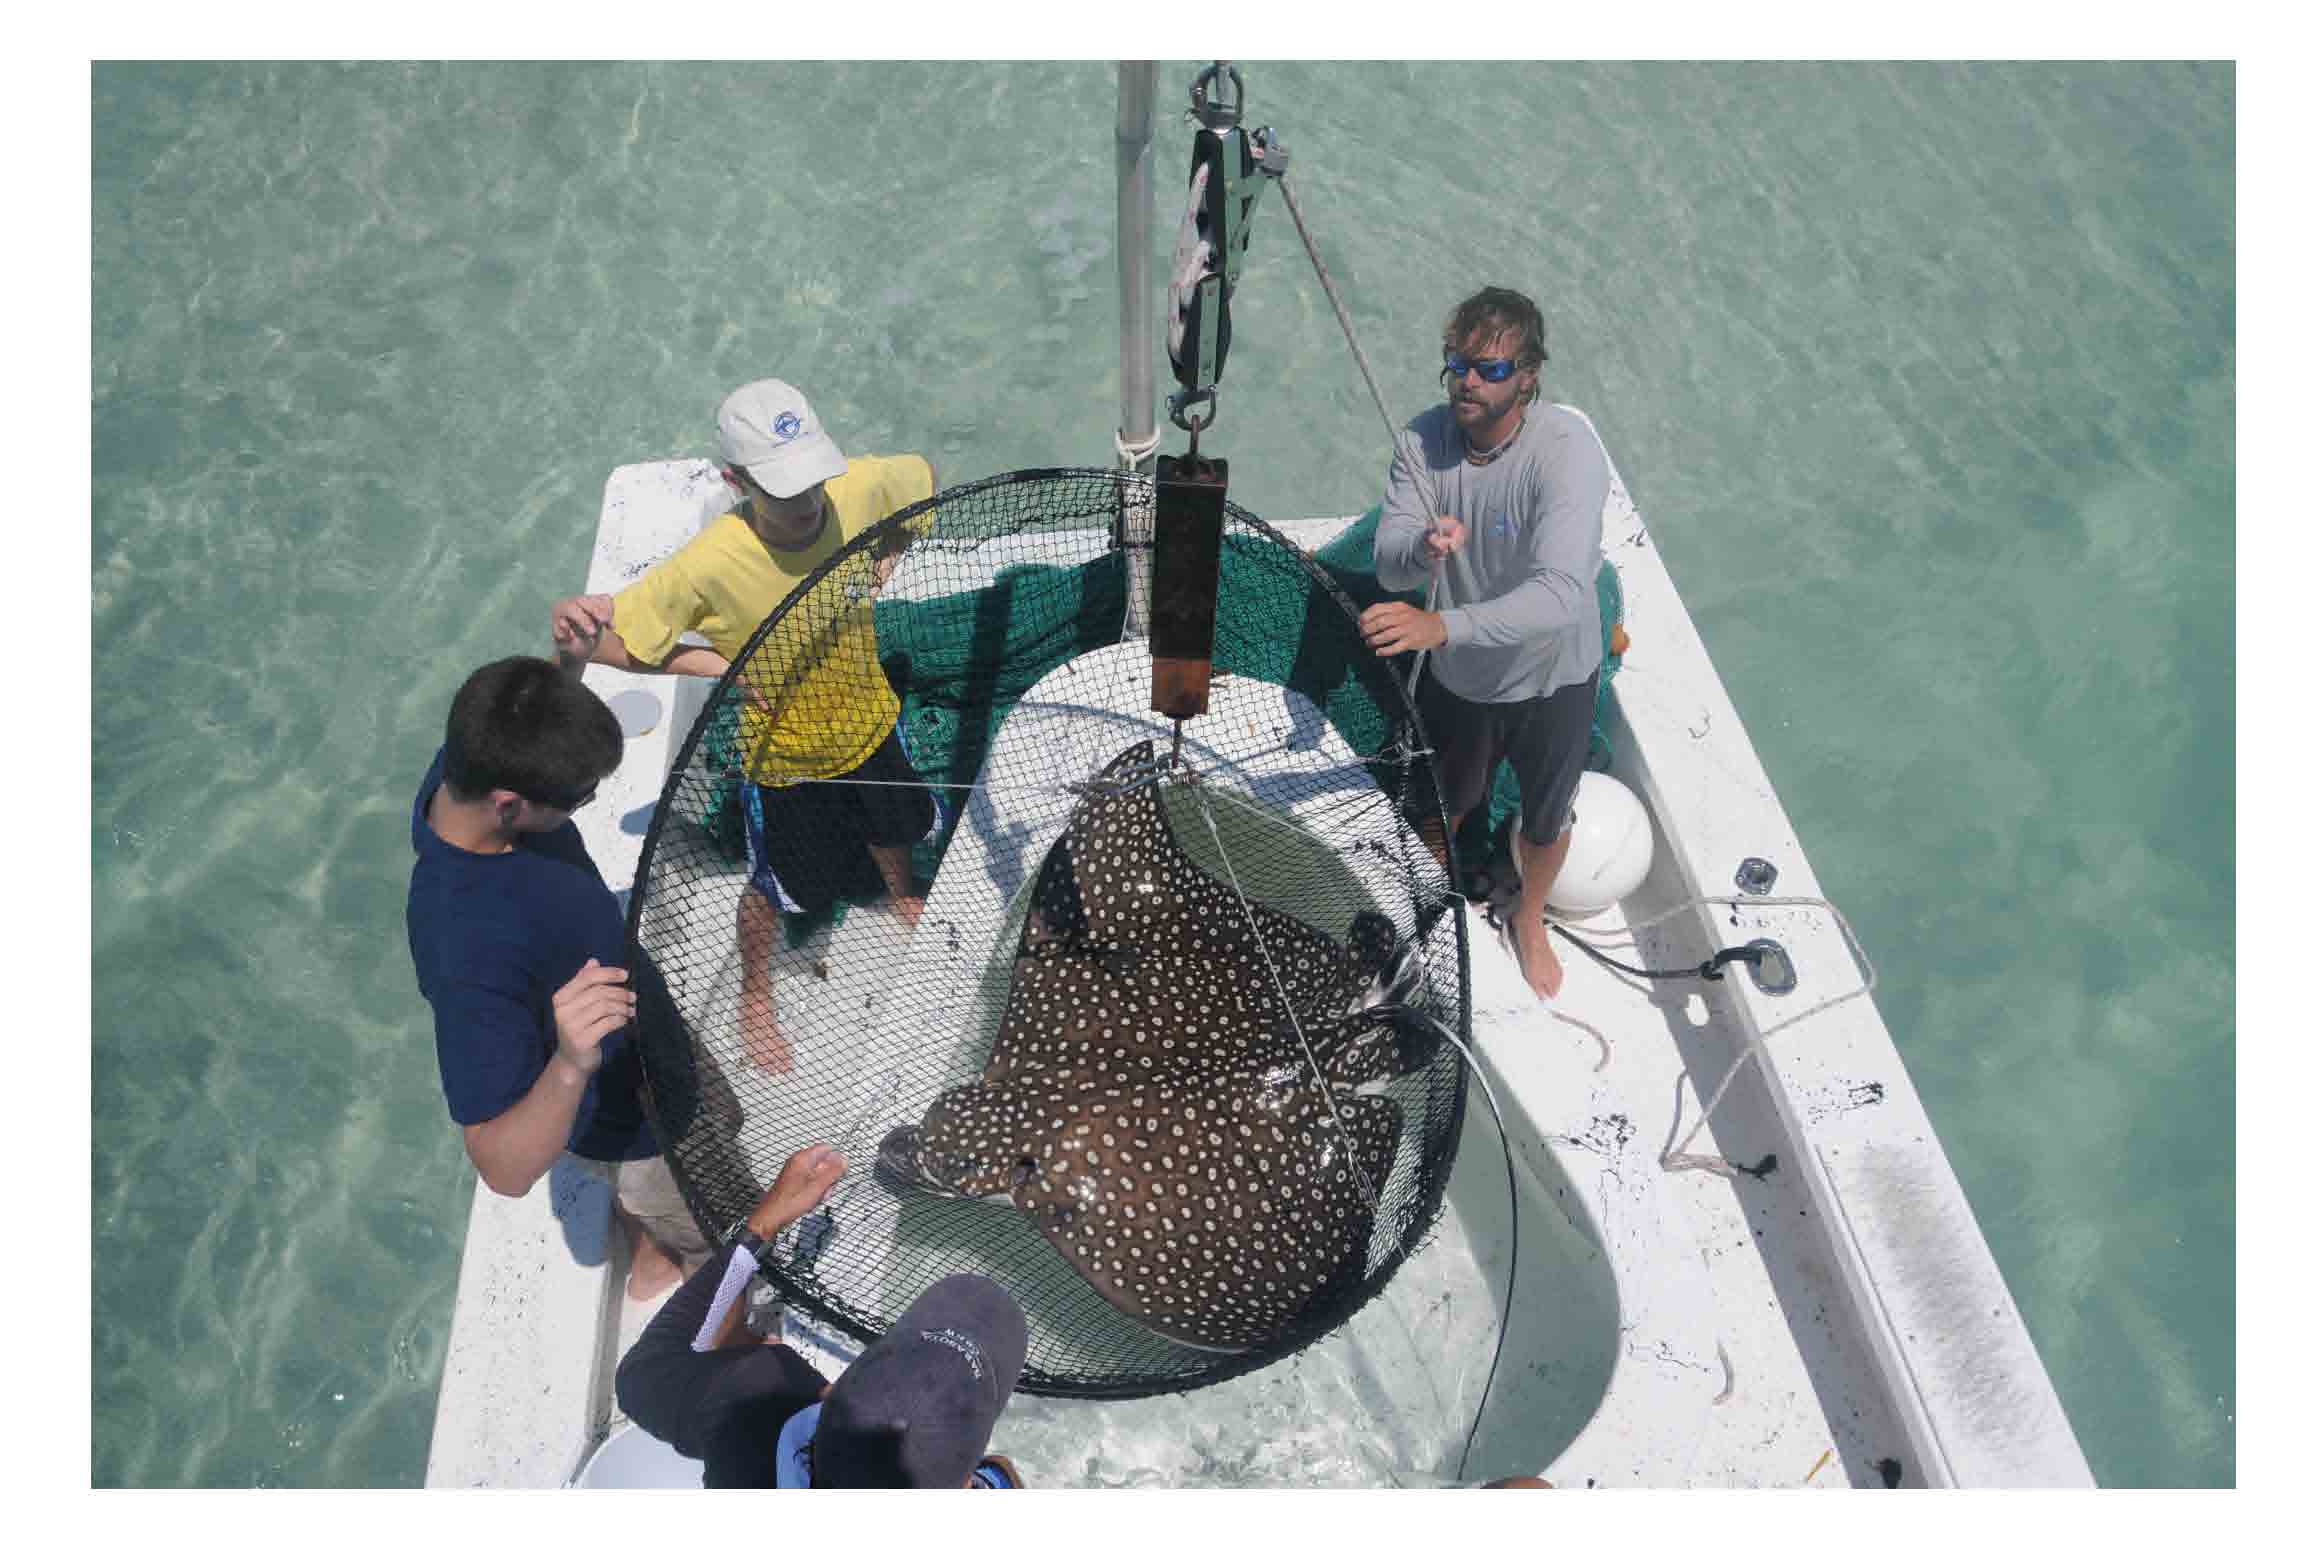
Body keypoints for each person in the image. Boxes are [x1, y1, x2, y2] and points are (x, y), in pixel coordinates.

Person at [550, 380, 937, 1076]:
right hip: (781, 759)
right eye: (784, 489)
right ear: (735, 481)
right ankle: (755, 994)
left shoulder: (858, 487)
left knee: (894, 821)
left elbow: (923, 480)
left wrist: (890, 554)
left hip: (870, 715)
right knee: (774, 887)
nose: (808, 502)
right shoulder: (709, 564)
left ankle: (901, 892)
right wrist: (719, 665)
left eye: (813, 478)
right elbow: (614, 641)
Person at [407, 655, 709, 1299]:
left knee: (690, 1142)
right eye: (578, 800)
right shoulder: (465, 951)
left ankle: (647, 1242)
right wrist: (572, 1061)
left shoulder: (470, 761)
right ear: (509, 805)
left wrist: (567, 664)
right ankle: (678, 1259)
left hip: (631, 1014)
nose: (584, 806)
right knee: (696, 1209)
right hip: (622, 1110)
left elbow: (525, 722)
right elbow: (501, 1166)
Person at [1360, 286, 1609, 1001]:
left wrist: (1442, 626)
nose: (1470, 380)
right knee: (1447, 803)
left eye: (1492, 369)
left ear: (1529, 375)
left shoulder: (1565, 451)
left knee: (1545, 815)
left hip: (1554, 673)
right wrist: (1422, 550)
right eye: (1458, 363)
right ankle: (1430, 913)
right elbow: (1387, 563)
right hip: (1463, 677)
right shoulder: (1421, 441)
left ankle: (1530, 919)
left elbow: (1562, 595)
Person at [615, 1141, 1030, 1488]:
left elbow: (640, 1376)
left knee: (766, 1344)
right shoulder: (760, 1382)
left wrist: (764, 1224)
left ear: (834, 1392)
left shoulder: (750, 1397)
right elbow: (1000, 1473)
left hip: (752, 1395)